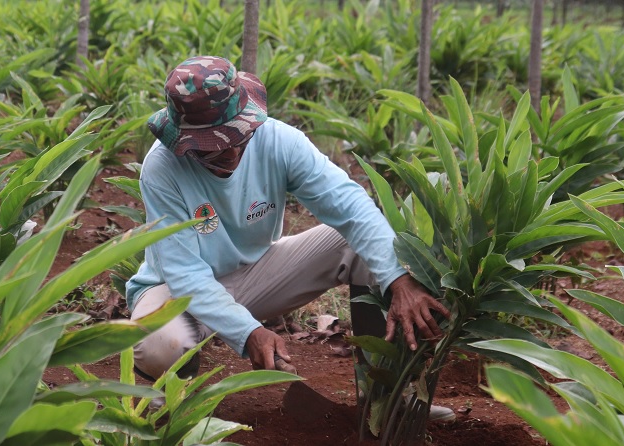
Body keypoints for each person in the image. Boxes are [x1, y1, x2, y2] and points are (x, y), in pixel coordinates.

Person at [125, 55, 454, 421]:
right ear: (185, 139)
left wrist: (399, 278)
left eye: (239, 135)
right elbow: (185, 272)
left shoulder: (279, 141)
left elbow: (350, 204)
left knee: (360, 245)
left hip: (256, 271)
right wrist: (248, 332)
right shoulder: (163, 168)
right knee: (161, 344)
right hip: (174, 289)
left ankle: (387, 399)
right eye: (213, 145)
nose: (232, 150)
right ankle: (164, 415)